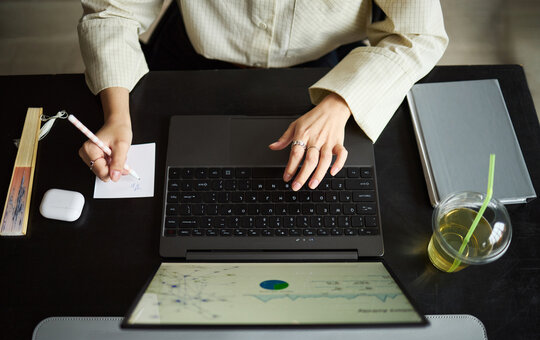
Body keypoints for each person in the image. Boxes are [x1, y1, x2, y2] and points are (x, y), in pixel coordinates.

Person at [77, 0, 448, 191]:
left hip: (327, 72)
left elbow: (420, 33)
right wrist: (116, 117)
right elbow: (113, 11)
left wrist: (340, 102)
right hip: (190, 56)